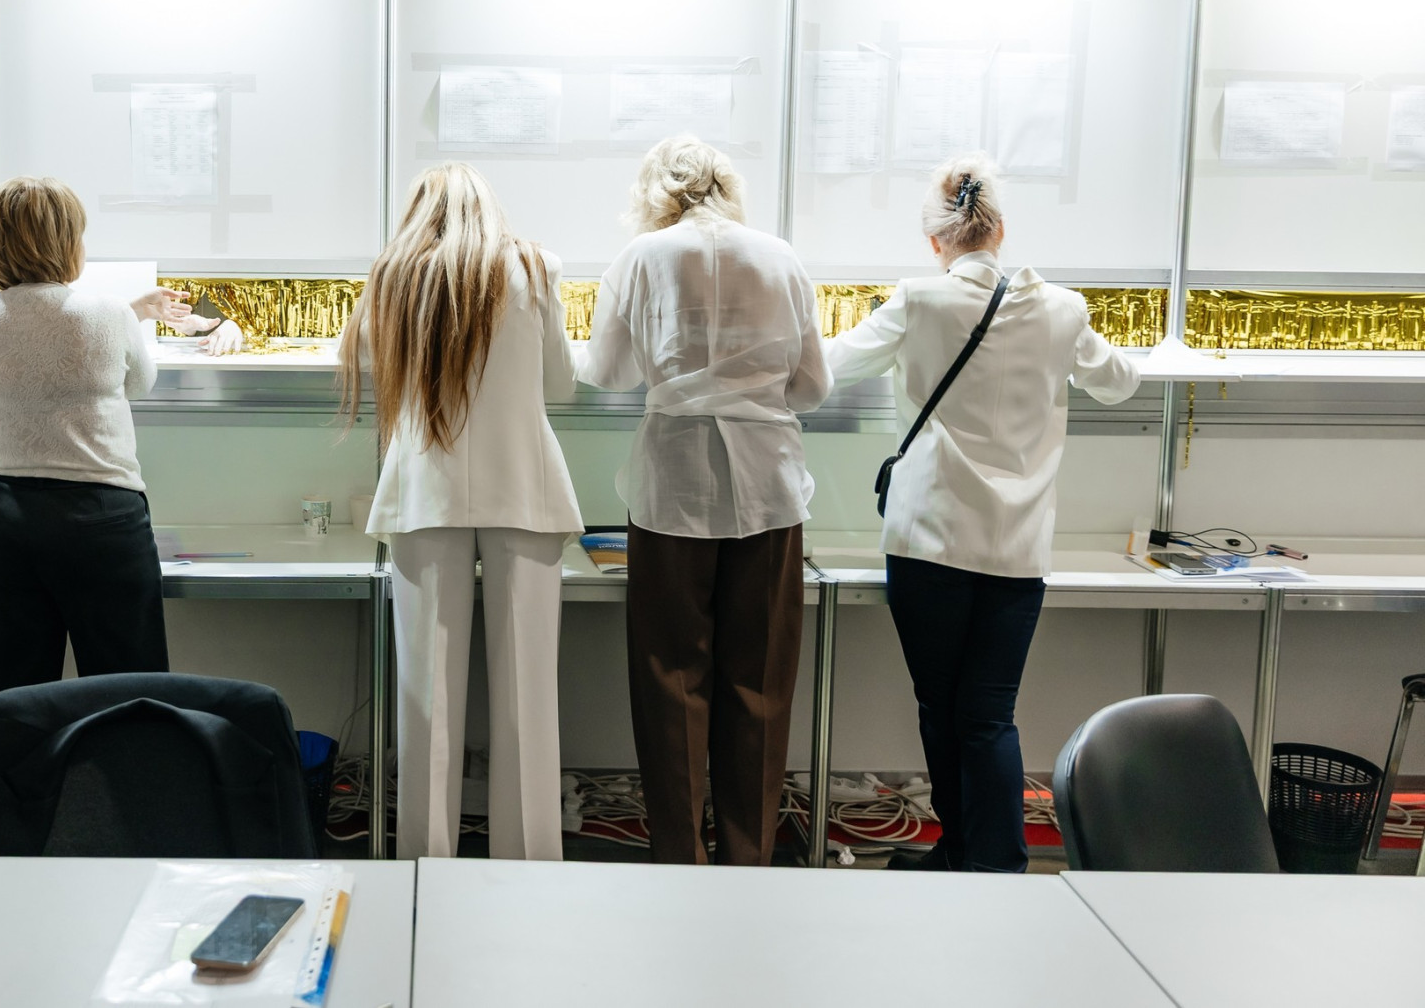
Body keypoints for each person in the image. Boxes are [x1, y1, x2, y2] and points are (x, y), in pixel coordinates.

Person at [825, 154, 1141, 874]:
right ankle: (993, 865)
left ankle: (962, 853)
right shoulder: (1062, 310)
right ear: (1000, 229)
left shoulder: (919, 300)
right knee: (990, 714)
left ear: (935, 241)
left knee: (940, 707)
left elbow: (830, 365)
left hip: (929, 542)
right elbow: (1120, 382)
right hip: (1017, 549)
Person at [576, 136, 831, 866]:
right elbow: (814, 386)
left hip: (673, 489)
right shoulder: (780, 258)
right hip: (769, 489)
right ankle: (747, 863)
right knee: (761, 682)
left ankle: (679, 862)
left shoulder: (642, 257)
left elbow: (609, 370)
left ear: (655, 194)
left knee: (671, 683)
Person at [339, 163, 581, 861]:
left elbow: (365, 359)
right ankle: (528, 869)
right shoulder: (535, 267)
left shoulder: (393, 274)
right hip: (524, 489)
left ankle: (426, 865)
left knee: (427, 699)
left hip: (426, 490)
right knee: (528, 696)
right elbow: (561, 384)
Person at [0, 176, 196, 699]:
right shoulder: (108, 313)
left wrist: (131, 311)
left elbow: (40, 331)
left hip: (5, 513)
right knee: (127, 690)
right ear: (66, 242)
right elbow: (138, 383)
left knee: (15, 693)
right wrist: (130, 316)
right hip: (99, 515)